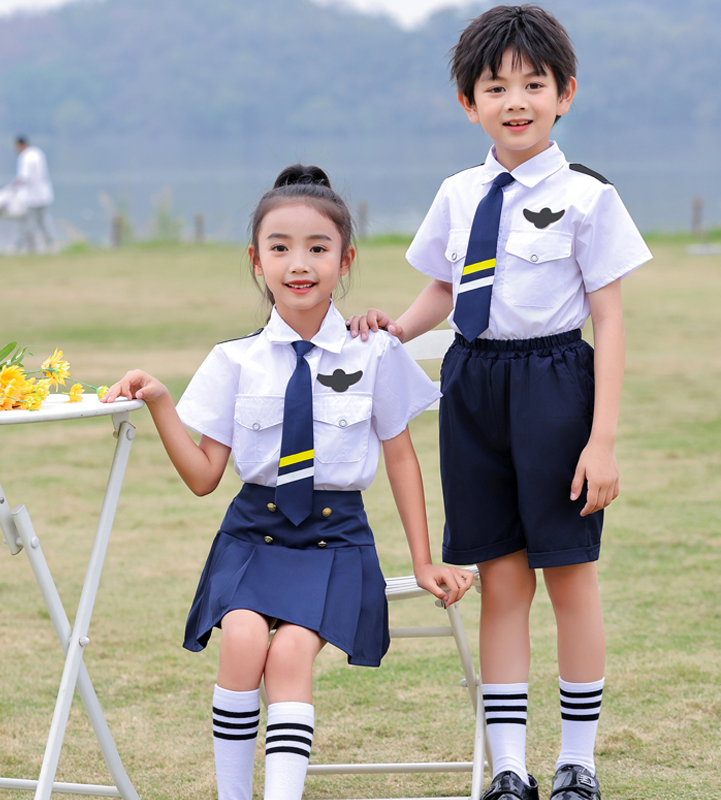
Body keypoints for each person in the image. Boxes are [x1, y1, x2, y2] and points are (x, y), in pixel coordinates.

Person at [347, 6, 652, 800]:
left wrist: (603, 441)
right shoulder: (457, 193)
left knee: (570, 577)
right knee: (502, 578)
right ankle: (510, 769)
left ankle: (577, 762)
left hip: (555, 385)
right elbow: (444, 291)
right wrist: (396, 325)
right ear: (467, 103)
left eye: (533, 84)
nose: (515, 100)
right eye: (496, 86)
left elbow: (611, 318)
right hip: (470, 386)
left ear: (566, 94)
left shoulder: (589, 197)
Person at [102, 164, 474, 800]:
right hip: (252, 535)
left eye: (317, 248)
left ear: (345, 259)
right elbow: (203, 478)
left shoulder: (375, 352)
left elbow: (402, 460)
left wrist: (422, 561)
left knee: (293, 651)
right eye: (280, 248)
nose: (298, 264)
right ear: (256, 260)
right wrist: (162, 402)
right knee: (243, 637)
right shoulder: (232, 361)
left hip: (336, 543)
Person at [11, 136, 54, 252]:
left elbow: (24, 177)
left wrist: (12, 188)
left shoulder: (25, 157)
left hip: (31, 197)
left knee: (26, 222)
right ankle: (51, 244)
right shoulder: (38, 153)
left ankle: (27, 246)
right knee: (43, 221)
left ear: (20, 145)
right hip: (44, 194)